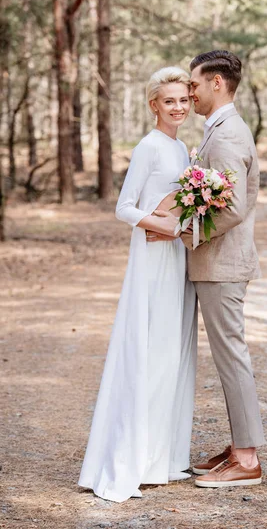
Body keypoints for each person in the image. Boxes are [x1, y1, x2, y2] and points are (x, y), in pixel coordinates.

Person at [78, 67, 198, 502]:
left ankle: (160, 458)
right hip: (152, 259)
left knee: (170, 352)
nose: (179, 107)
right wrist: (160, 227)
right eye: (170, 101)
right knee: (150, 349)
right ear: (154, 106)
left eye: (184, 99)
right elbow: (124, 208)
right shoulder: (149, 147)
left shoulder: (182, 147)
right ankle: (136, 456)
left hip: (176, 256)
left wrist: (180, 226)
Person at [184, 50, 265, 487]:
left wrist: (186, 232)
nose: (189, 92)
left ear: (217, 83)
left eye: (194, 84)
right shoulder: (219, 128)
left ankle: (248, 459)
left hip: (222, 264)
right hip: (216, 264)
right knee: (227, 356)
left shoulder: (229, 134)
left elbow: (230, 207)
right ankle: (238, 448)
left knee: (232, 357)